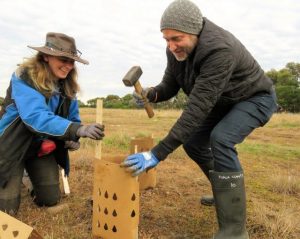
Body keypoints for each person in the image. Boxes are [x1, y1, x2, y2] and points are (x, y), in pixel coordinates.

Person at [121, 0, 278, 238]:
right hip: (222, 100)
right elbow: (170, 85)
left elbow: (197, 108)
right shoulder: (175, 52)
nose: (171, 46)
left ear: (195, 31)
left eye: (177, 39)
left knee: (221, 140)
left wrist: (157, 153)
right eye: (166, 39)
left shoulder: (219, 50)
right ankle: (222, 193)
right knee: (194, 142)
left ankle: (234, 230)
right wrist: (151, 93)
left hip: (254, 98)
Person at [0, 32, 104, 215]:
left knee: (49, 199)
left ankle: (26, 180)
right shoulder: (23, 76)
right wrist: (76, 130)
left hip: (39, 147)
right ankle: (15, 178)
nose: (68, 66)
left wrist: (74, 137)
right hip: (11, 145)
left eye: (72, 61)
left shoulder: (67, 85)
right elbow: (35, 117)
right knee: (7, 211)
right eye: (63, 59)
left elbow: (73, 119)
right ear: (46, 56)